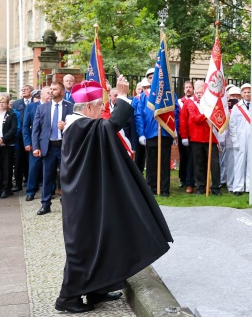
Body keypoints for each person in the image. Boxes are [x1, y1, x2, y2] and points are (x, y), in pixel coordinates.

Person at [55, 78, 173, 313]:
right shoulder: (79, 125)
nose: (102, 112)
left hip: (89, 197)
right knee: (83, 248)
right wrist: (122, 95)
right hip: (82, 202)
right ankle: (67, 298)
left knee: (103, 240)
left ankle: (97, 288)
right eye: (100, 107)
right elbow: (110, 127)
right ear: (89, 107)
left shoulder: (81, 126)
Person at [135, 68, 179, 197]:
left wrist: (174, 129)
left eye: (154, 77)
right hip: (150, 133)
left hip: (165, 132)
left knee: (165, 162)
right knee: (151, 162)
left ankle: (164, 188)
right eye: (149, 77)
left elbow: (175, 112)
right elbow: (139, 115)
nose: (152, 79)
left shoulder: (169, 95)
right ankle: (152, 187)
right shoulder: (144, 96)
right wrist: (141, 133)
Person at [32, 82, 74, 215]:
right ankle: (45, 204)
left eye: (54, 89)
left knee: (66, 176)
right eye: (50, 89)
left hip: (64, 146)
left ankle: (67, 203)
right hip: (48, 146)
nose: (51, 91)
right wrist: (36, 147)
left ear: (62, 92)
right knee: (47, 176)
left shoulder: (71, 107)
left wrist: (66, 126)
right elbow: (36, 130)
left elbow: (76, 128)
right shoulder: (42, 108)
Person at [181, 81, 222, 195]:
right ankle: (200, 187)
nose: (199, 94)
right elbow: (190, 119)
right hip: (196, 138)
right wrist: (184, 136)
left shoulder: (210, 103)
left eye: (201, 92)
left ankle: (215, 187)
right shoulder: (190, 102)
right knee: (199, 164)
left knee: (214, 164)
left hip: (211, 137)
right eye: (197, 92)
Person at [228, 83, 252, 196]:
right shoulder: (236, 107)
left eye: (249, 92)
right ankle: (238, 188)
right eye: (245, 92)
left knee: (251, 163)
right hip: (240, 138)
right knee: (239, 164)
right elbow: (232, 125)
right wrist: (234, 141)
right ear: (241, 94)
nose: (247, 94)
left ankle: (250, 187)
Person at [22, 88, 47, 201]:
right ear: (41, 94)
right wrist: (27, 142)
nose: (50, 95)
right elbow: (26, 126)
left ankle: (49, 190)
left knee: (48, 168)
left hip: (49, 142)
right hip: (35, 142)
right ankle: (30, 191)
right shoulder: (31, 107)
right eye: (48, 93)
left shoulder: (52, 106)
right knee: (33, 168)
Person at [12, 84, 33, 192]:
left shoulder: (35, 102)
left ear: (31, 91)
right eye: (22, 89)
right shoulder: (16, 103)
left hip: (32, 135)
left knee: (30, 160)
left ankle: (30, 182)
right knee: (18, 160)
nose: (23, 90)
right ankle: (18, 183)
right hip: (19, 136)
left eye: (26, 89)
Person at [176, 81, 195, 191]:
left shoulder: (196, 101)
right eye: (186, 87)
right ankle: (182, 179)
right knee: (183, 157)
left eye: (190, 87)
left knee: (192, 158)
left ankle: (191, 180)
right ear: (183, 90)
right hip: (182, 133)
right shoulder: (179, 102)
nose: (188, 89)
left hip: (193, 134)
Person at [223, 86, 241, 193]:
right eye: (232, 96)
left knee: (240, 164)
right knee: (230, 163)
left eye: (237, 96)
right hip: (229, 139)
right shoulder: (225, 108)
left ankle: (240, 184)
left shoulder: (243, 107)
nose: (234, 97)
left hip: (242, 139)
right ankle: (230, 185)